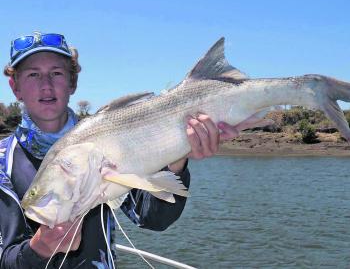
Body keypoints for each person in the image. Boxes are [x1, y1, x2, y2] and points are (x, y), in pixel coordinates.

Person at [0, 31, 260, 268]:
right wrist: (40, 249)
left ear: (72, 83)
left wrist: (176, 159)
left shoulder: (107, 137)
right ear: (16, 87)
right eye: (33, 74)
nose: (46, 84)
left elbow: (152, 218)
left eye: (56, 73)